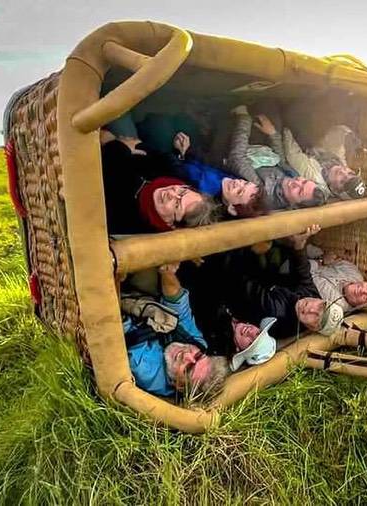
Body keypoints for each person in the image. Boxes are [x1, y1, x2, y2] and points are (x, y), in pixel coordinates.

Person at [122, 263, 229, 399]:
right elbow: (178, 307)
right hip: (143, 302)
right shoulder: (199, 346)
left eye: (188, 368)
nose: (187, 355)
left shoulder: (147, 371)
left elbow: (117, 324)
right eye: (198, 356)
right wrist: (167, 271)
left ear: (179, 386)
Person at [217, 225, 344, 338]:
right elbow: (304, 274)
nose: (310, 309)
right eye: (321, 306)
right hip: (264, 277)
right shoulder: (312, 298)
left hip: (229, 282)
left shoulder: (276, 315)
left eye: (316, 318)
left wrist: (246, 245)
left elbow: (239, 279)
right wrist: (299, 245)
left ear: (313, 328)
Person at [100, 132, 218, 234]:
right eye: (182, 191)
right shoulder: (176, 174)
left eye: (177, 205)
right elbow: (143, 146)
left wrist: (118, 147)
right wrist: (132, 145)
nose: (172, 193)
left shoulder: (127, 223)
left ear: (171, 225)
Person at [228, 105, 326, 211]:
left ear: (294, 206)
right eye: (304, 182)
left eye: (299, 191)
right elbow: (280, 160)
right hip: (260, 150)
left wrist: (244, 118)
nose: (297, 183)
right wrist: (273, 134)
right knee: (272, 115)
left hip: (235, 151)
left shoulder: (262, 192)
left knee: (241, 115)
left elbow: (237, 158)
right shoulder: (293, 177)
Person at [166, 131, 267, 218]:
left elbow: (173, 170)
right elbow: (206, 161)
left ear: (232, 208)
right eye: (245, 183)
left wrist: (179, 153)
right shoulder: (229, 179)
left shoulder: (203, 191)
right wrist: (188, 150)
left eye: (239, 191)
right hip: (190, 150)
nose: (238, 182)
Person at [283, 124, 367, 200]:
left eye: (342, 181)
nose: (343, 172)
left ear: (335, 190)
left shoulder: (313, 176)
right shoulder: (338, 163)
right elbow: (338, 136)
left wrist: (286, 128)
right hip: (306, 140)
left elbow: (292, 153)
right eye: (350, 173)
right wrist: (350, 136)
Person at [308, 248, 367, 314]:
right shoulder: (355, 274)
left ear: (362, 306)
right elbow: (329, 256)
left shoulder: (337, 303)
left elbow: (306, 273)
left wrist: (321, 261)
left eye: (366, 298)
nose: (363, 291)